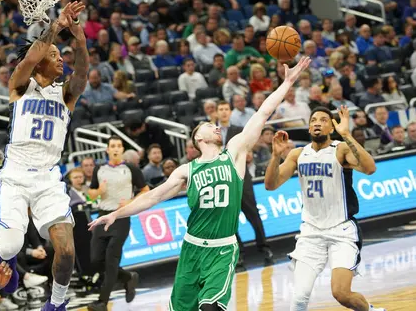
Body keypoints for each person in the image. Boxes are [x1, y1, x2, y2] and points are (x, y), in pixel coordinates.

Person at [89, 57, 311, 311]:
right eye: (209, 126)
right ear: (199, 139)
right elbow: (152, 197)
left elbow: (263, 113)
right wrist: (116, 214)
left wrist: (287, 83)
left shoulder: (234, 153)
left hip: (222, 249)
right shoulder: (187, 170)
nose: (216, 126)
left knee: (210, 308)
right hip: (192, 249)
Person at [0, 1, 87, 311]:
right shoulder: (20, 86)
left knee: (67, 250)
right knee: (12, 244)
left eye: (61, 55)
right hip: (16, 175)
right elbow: (33, 54)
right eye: (54, 55)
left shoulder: (64, 94)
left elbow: (82, 76)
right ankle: (6, 261)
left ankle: (56, 304)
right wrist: (56, 27)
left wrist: (80, 39)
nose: (61, 59)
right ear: (38, 64)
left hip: (48, 177)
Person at [264, 106, 385, 311]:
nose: (317, 123)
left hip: (341, 230)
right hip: (311, 233)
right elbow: (271, 184)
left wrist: (346, 134)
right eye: (313, 120)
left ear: (331, 127)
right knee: (299, 297)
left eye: (323, 120)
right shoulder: (297, 154)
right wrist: (276, 156)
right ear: (309, 128)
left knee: (341, 293)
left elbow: (370, 168)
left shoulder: (341, 149)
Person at [87, 136, 149, 311]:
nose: (115, 149)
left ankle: (102, 302)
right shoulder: (99, 169)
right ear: (107, 150)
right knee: (96, 260)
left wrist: (131, 202)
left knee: (111, 260)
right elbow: (90, 194)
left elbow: (145, 190)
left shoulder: (131, 169)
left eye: (118, 146)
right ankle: (128, 277)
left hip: (121, 217)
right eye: (112, 146)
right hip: (102, 216)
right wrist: (99, 191)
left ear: (122, 150)